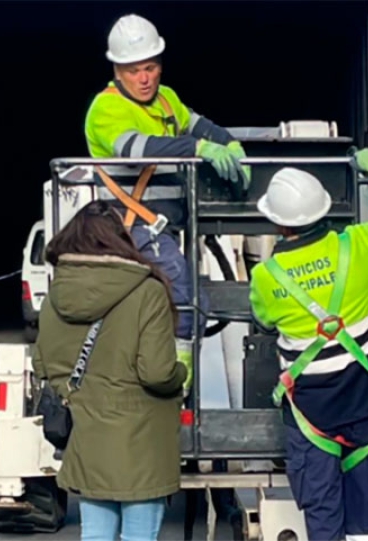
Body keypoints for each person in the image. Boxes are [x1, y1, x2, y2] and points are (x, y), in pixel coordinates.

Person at [248, 148, 368, 541]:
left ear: (277, 223)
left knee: (323, 521)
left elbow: (262, 320)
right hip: (363, 404)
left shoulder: (266, 276)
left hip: (310, 415)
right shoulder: (365, 245)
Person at [84, 13, 252, 390]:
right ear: (117, 70)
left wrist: (229, 143)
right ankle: (174, 381)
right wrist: (199, 148)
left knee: (187, 301)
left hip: (166, 227)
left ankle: (170, 372)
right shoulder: (106, 110)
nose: (145, 79)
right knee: (188, 301)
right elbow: (138, 149)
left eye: (151, 67)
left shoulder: (166, 99)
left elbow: (198, 124)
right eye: (134, 71)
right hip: (133, 228)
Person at [32, 200, 188, 540]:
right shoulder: (147, 291)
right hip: (142, 439)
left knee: (96, 536)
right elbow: (157, 372)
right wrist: (181, 375)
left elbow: (42, 363)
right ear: (120, 239)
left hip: (87, 434)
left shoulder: (54, 297)